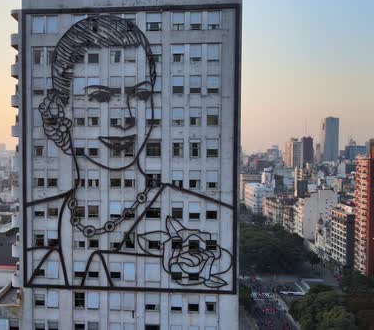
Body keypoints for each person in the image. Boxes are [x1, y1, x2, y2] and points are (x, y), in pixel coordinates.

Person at [25, 15, 233, 291]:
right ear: (60, 108)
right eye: (100, 97)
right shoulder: (37, 217)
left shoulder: (208, 212)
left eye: (141, 96)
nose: (125, 118)